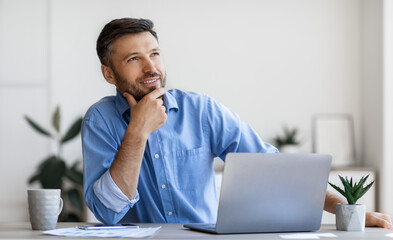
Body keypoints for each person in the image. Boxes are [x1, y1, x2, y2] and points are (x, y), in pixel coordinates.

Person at [82, 17, 393, 229]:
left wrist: (348, 211)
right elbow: (108, 212)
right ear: (109, 74)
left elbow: (274, 169)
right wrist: (137, 130)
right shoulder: (100, 121)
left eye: (155, 54)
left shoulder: (202, 111)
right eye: (134, 59)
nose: (151, 67)